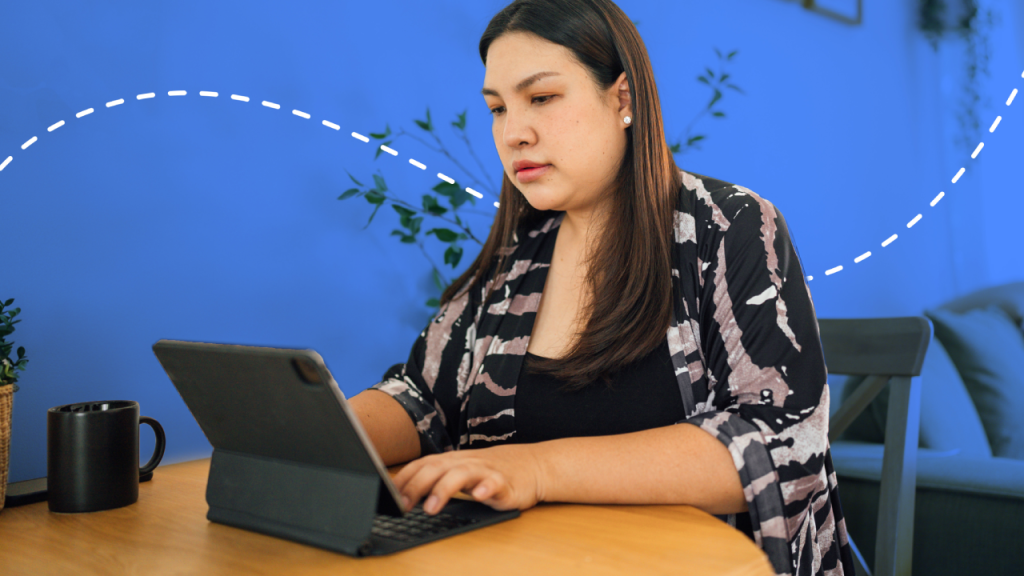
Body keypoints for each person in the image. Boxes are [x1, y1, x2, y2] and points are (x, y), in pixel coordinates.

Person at [349, 1, 856, 574]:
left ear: (623, 99)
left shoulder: (728, 226)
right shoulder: (517, 256)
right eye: (498, 108)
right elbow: (423, 398)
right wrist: (316, 432)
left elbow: (781, 441)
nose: (513, 133)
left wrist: (535, 469)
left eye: (542, 97)